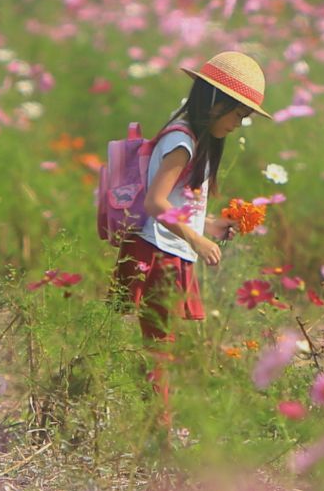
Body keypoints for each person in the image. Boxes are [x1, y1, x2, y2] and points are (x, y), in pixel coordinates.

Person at [112, 51, 273, 421]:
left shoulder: (191, 138)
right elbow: (155, 202)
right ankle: (159, 429)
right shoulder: (182, 142)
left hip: (168, 247)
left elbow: (175, 201)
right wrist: (195, 239)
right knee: (159, 345)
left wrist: (209, 225)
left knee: (161, 343)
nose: (237, 124)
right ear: (216, 102)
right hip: (155, 252)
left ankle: (157, 423)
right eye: (238, 114)